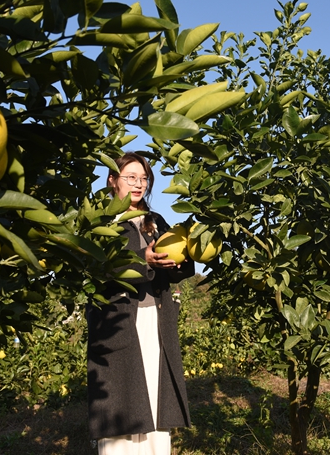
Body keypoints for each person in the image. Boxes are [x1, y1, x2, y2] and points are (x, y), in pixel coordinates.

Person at [87, 152, 195, 455]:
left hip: (155, 319)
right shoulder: (102, 221)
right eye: (131, 177)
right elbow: (99, 267)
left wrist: (180, 260)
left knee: (154, 395)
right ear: (112, 180)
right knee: (122, 399)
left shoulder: (155, 221)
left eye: (144, 178)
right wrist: (141, 260)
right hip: (117, 323)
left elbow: (178, 265)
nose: (139, 184)